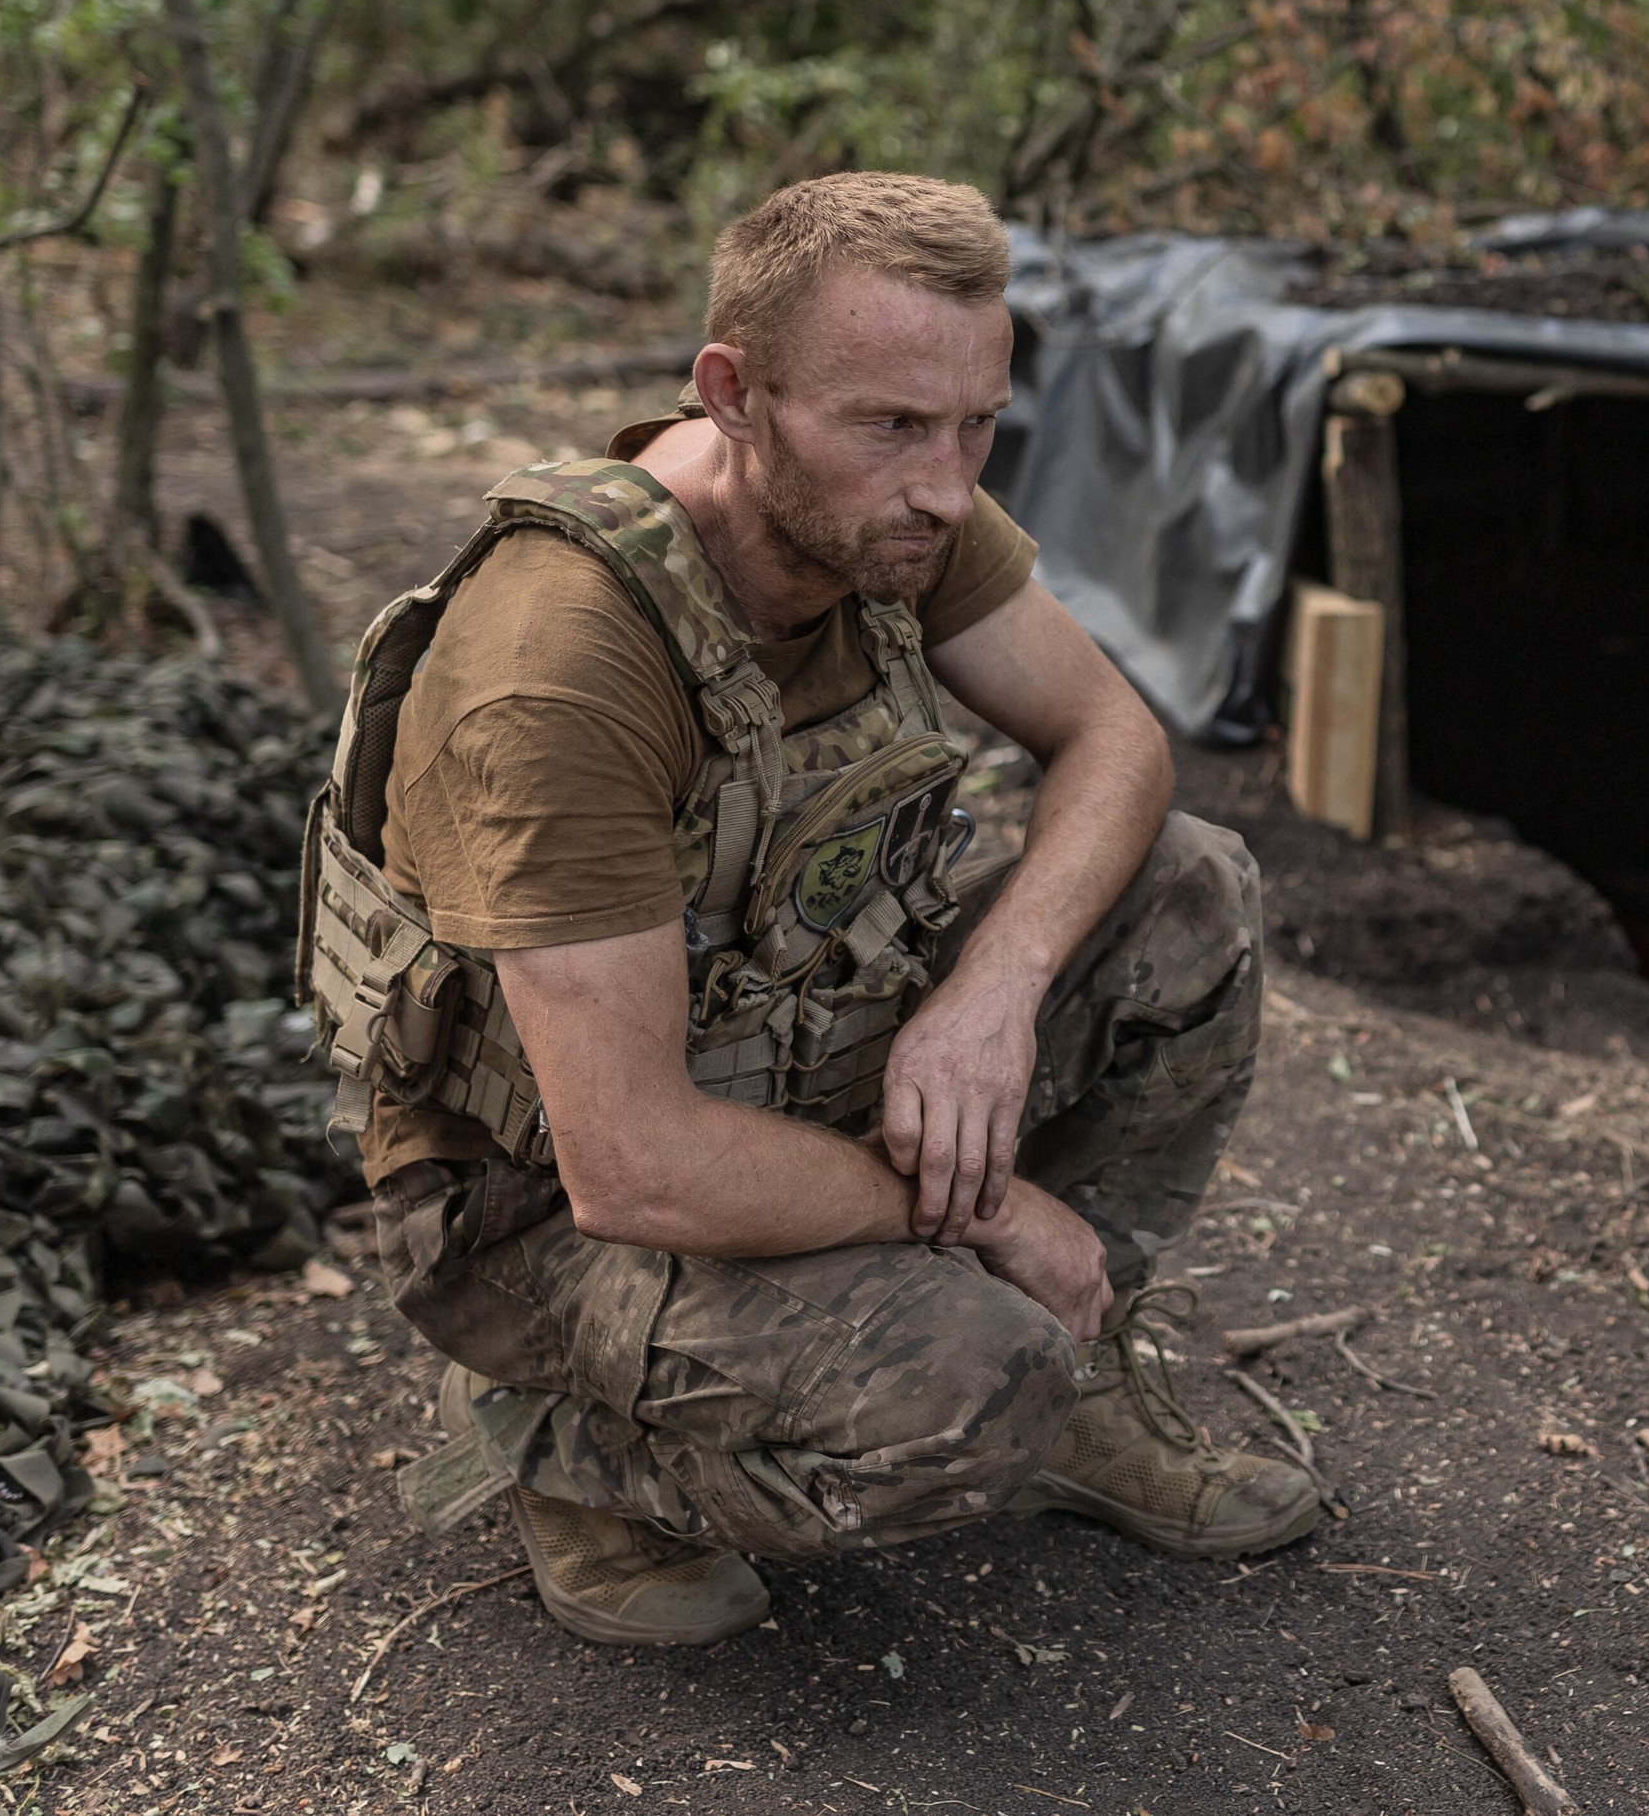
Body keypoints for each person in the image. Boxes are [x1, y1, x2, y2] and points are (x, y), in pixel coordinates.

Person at [299, 171, 1317, 1650]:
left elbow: (1120, 740)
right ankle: (574, 1451)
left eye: (978, 421)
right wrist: (986, 1210)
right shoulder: (559, 665)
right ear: (733, 392)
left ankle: (1079, 1365)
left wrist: (990, 997)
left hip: (784, 1052)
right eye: (896, 423)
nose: (946, 479)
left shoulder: (891, 515)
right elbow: (630, 1163)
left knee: (1190, 884)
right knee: (972, 1388)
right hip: (534, 1207)